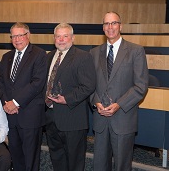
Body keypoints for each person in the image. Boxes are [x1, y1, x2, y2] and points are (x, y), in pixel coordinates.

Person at [90, 11, 149, 171]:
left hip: (123, 118)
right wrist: (95, 102)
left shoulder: (136, 51)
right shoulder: (94, 53)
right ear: (103, 27)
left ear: (120, 26)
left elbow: (141, 86)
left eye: (114, 23)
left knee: (122, 166)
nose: (110, 27)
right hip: (101, 119)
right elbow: (90, 85)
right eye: (107, 24)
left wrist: (119, 105)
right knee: (100, 165)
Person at [0, 22, 47, 171]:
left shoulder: (39, 54)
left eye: (20, 35)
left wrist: (15, 102)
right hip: (10, 116)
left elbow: (37, 83)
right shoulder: (6, 57)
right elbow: (0, 81)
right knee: (15, 157)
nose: (17, 39)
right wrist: (7, 102)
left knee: (30, 160)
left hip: (29, 116)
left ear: (28, 35)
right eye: (14, 36)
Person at [45, 23, 96, 171]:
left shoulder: (83, 56)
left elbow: (88, 86)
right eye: (58, 36)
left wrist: (66, 99)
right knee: (56, 157)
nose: (61, 39)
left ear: (73, 38)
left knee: (74, 161)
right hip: (50, 116)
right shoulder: (49, 56)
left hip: (73, 118)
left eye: (65, 36)